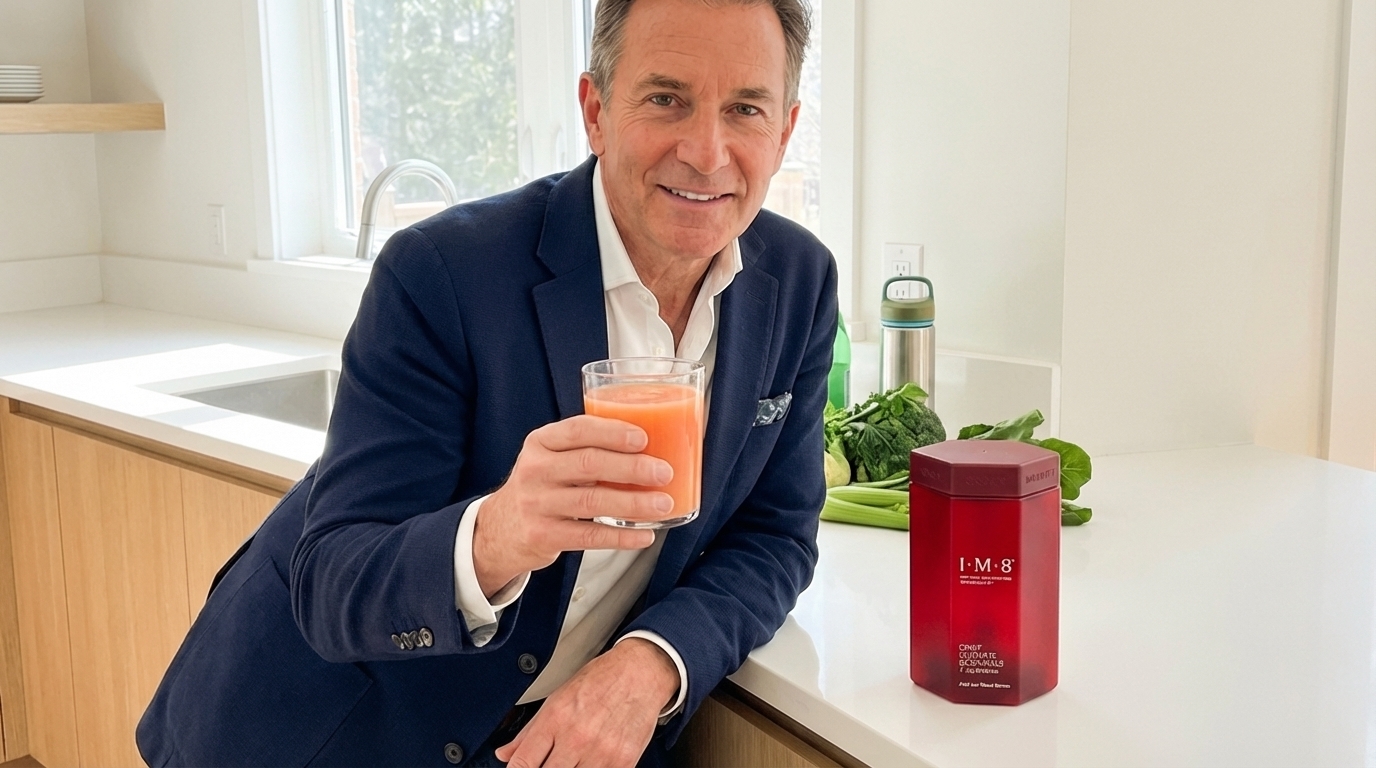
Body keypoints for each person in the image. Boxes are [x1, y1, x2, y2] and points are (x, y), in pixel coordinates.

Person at [136, 0, 835, 765]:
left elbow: (774, 536)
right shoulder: (442, 273)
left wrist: (654, 659)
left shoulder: (797, 283)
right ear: (595, 111)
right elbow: (333, 583)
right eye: (666, 99)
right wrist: (498, 535)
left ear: (786, 131)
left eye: (745, 109)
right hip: (327, 729)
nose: (707, 151)